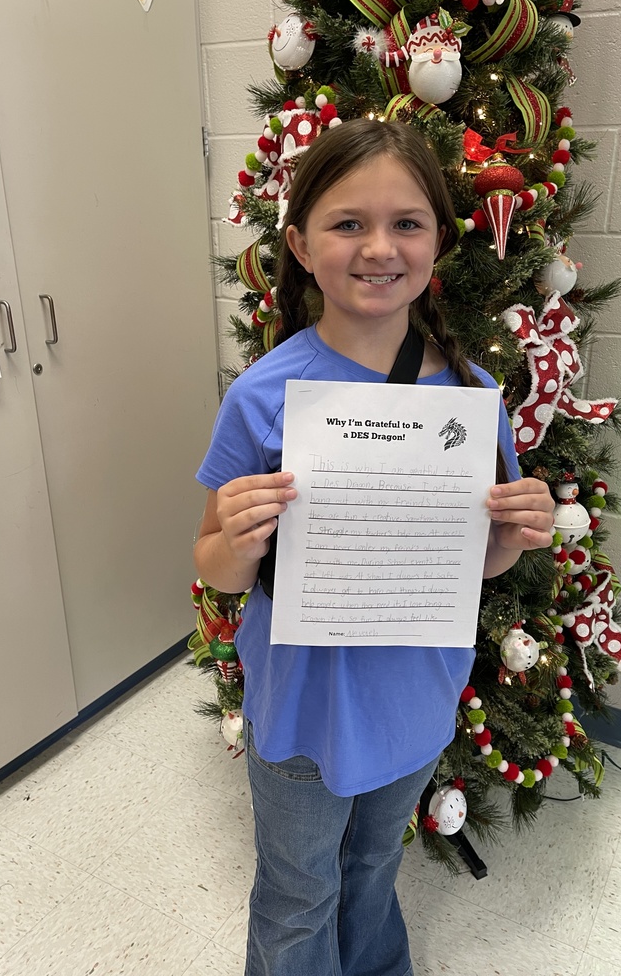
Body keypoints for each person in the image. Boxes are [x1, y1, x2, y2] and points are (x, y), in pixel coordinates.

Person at [193, 118, 555, 976]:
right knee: (297, 890)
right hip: (305, 705)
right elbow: (211, 562)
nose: (378, 248)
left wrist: (512, 532)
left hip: (413, 694)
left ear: (437, 241)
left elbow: (483, 564)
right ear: (301, 244)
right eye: (348, 223)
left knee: (371, 867)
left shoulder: (470, 397)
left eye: (407, 223)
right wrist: (239, 539)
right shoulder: (263, 395)